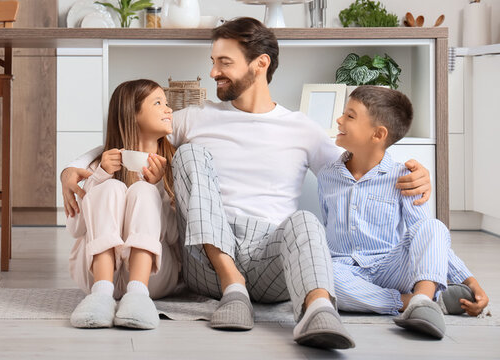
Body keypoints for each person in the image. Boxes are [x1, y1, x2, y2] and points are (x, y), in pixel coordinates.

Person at [62, 17, 434, 349]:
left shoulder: (301, 128)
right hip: (206, 259)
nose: (213, 73)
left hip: (268, 257)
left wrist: (409, 172)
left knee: (305, 222)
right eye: (213, 62)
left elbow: (357, 168)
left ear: (260, 64)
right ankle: (232, 286)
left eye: (224, 63)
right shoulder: (197, 118)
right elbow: (132, 133)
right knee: (192, 155)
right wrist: (75, 166)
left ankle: (319, 310)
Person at [318, 86, 490, 339]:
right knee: (327, 280)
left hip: (392, 266)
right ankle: (418, 302)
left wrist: (471, 283)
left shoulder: (405, 178)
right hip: (345, 269)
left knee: (433, 226)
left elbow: (428, 238)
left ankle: (423, 298)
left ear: (378, 134)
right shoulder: (327, 176)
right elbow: (325, 223)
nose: (339, 120)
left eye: (350, 116)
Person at [66, 79, 180, 330]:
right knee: (112, 187)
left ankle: (138, 294)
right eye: (158, 103)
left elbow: (174, 235)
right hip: (95, 277)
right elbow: (76, 229)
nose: (169, 109)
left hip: (153, 277)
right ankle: (102, 293)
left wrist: (158, 188)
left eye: (167, 103)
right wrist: (99, 178)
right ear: (133, 113)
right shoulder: (100, 163)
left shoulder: (174, 165)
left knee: (143, 190)